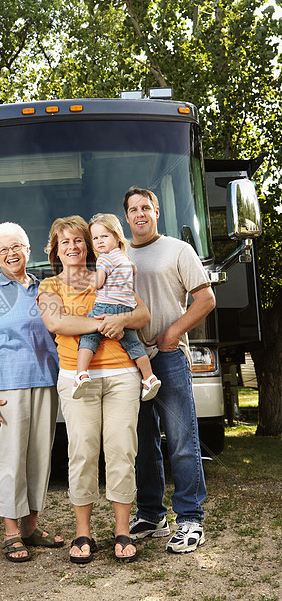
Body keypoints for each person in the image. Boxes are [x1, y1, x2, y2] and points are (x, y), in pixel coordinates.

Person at [37, 215, 150, 564]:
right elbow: (57, 322)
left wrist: (123, 319)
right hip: (76, 376)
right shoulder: (49, 286)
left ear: (89, 244)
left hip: (121, 375)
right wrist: (107, 322)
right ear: (55, 249)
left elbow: (142, 314)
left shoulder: (111, 274)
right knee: (83, 452)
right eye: (64, 242)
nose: (72, 247)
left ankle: (122, 531)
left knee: (121, 450)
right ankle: (83, 532)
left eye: (78, 241)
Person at [123, 187, 216, 554]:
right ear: (126, 216)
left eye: (146, 207)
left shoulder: (179, 249)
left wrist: (172, 333)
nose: (140, 214)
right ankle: (151, 513)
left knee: (181, 440)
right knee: (143, 443)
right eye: (133, 209)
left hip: (169, 356)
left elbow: (206, 299)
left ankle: (190, 517)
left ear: (156, 211)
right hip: (130, 362)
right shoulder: (118, 252)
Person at [0, 222, 63, 563]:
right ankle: (11, 533)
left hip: (45, 382)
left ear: (28, 249)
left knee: (40, 455)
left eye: (16, 247)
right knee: (10, 459)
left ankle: (30, 528)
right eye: (2, 250)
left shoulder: (46, 289)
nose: (10, 254)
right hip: (7, 387)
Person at [73, 213, 161, 401]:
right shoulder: (125, 258)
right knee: (133, 344)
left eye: (104, 236)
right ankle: (149, 378)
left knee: (88, 337)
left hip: (106, 305)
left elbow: (98, 283)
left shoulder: (104, 259)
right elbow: (134, 271)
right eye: (95, 238)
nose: (99, 242)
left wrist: (89, 278)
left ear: (117, 236)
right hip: (126, 307)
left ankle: (81, 374)